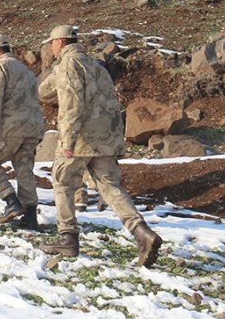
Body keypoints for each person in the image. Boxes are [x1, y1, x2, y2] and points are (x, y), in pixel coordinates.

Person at [37, 25, 162, 266]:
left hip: (81, 139)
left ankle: (68, 238)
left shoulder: (68, 65)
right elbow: (47, 91)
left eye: (52, 43)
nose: (51, 47)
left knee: (63, 182)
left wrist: (68, 141)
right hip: (106, 138)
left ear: (59, 43)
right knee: (110, 187)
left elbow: (71, 104)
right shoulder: (95, 65)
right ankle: (142, 233)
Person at [0, 34, 44, 231]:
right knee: (24, 167)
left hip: (11, 125)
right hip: (33, 126)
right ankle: (30, 216)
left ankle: (10, 201)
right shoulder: (26, 70)